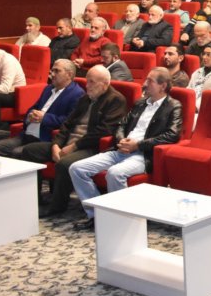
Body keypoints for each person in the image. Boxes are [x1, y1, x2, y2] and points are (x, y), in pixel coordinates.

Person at [69, 67, 183, 230]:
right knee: (77, 168)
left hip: (142, 154)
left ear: (163, 86)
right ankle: (97, 216)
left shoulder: (173, 106)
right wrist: (121, 140)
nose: (145, 84)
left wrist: (138, 144)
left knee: (115, 173)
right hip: (121, 149)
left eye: (150, 81)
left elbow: (172, 135)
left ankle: (124, 222)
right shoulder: (140, 103)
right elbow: (121, 125)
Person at [19, 65, 128, 217]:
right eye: (87, 81)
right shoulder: (85, 98)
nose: (87, 86)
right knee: (29, 151)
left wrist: (74, 146)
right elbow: (67, 124)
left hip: (90, 147)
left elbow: (103, 132)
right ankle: (33, 198)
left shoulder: (115, 100)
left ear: (104, 84)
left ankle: (57, 206)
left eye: (91, 82)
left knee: (64, 164)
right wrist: (56, 144)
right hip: (68, 143)